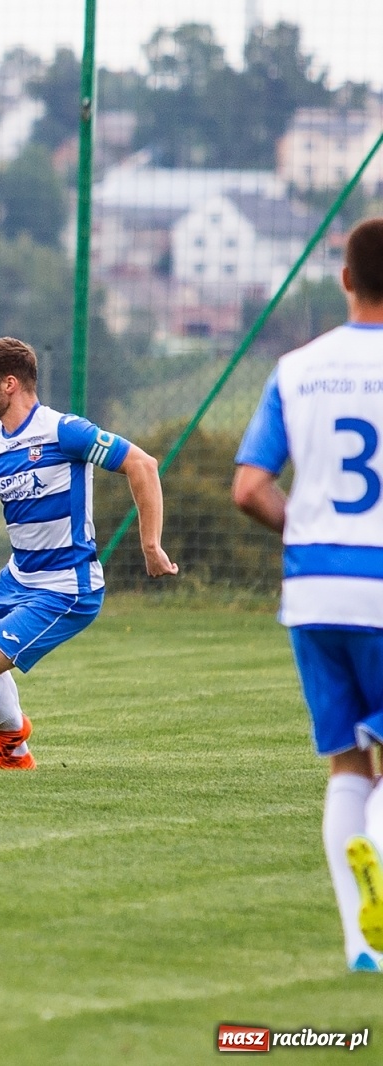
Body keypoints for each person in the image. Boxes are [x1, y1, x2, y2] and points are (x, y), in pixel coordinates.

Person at [233, 217, 383, 974]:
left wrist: (306, 533)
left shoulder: (297, 368)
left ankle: (364, 945)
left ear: (347, 280)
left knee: (348, 761)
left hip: (317, 587)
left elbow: (250, 487)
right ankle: (379, 873)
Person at [0, 337, 176, 770]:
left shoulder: (63, 432)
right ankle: (12, 751)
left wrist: (151, 544)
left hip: (66, 586)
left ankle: (11, 740)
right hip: (18, 578)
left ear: (10, 384)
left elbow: (143, 464)